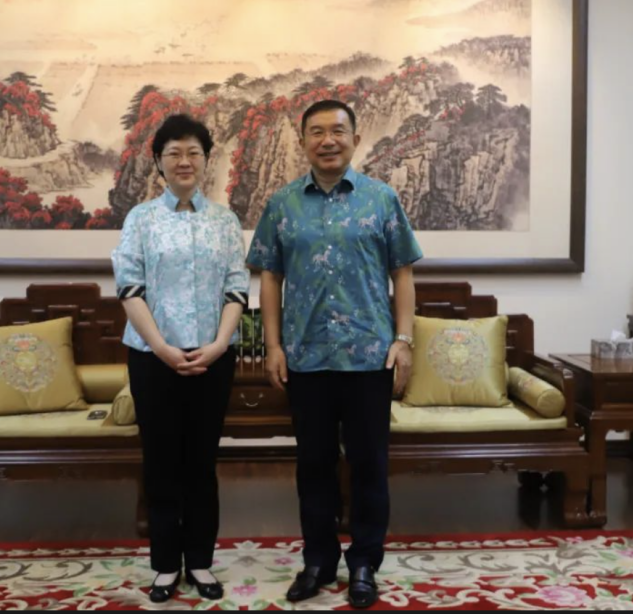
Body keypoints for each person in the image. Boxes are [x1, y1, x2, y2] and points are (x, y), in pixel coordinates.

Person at [246, 99, 423, 609]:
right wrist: (272, 346)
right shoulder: (282, 203)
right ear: (303, 141)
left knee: (369, 465)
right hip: (306, 358)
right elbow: (270, 278)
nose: (328, 140)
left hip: (370, 357)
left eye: (338, 131)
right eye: (317, 132)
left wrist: (404, 340)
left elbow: (402, 274)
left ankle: (365, 562)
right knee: (313, 466)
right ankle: (319, 561)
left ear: (355, 138)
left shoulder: (381, 199)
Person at [112, 114, 249, 603]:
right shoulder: (141, 219)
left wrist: (219, 343)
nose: (184, 161)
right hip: (154, 358)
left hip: (213, 357)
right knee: (161, 460)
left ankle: (202, 561)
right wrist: (163, 349)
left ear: (206, 160)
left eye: (194, 152)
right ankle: (167, 565)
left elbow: (236, 287)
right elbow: (130, 288)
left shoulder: (224, 221)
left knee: (202, 461)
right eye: (174, 153)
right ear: (158, 162)